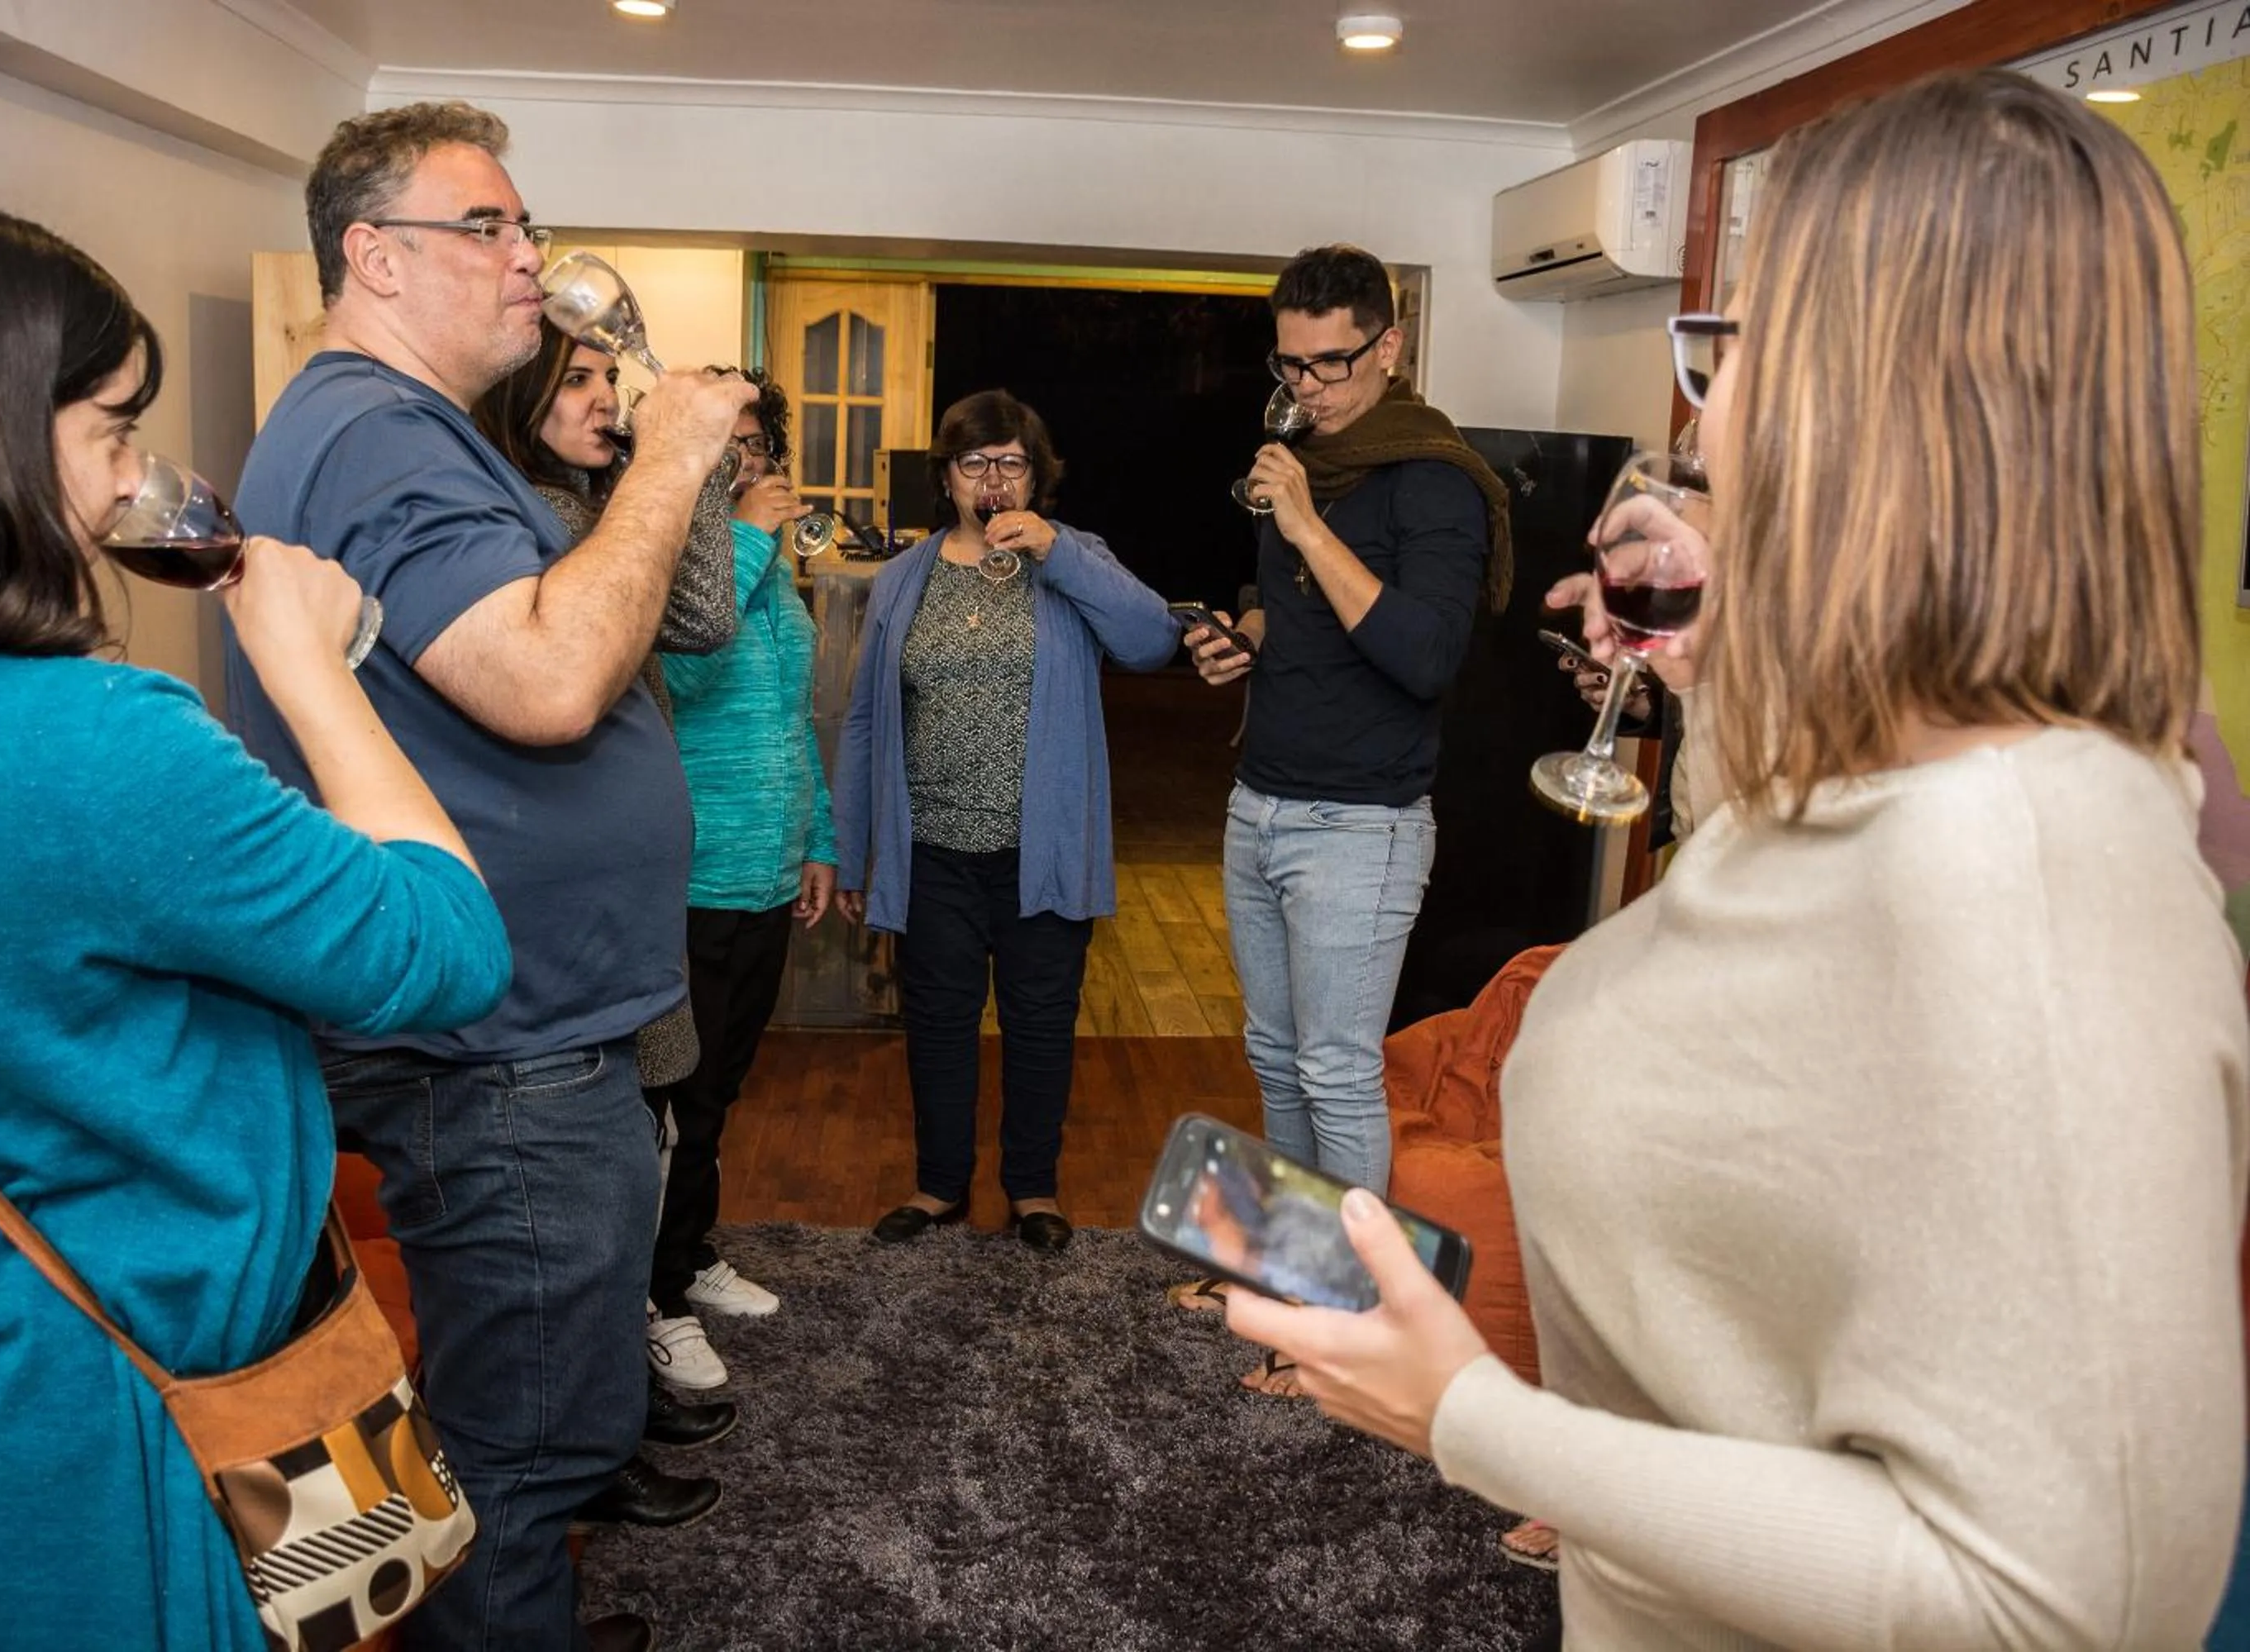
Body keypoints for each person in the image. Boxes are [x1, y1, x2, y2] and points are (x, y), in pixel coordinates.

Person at [1227, 71, 2248, 1648]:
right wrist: (1736, 658)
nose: (1704, 408)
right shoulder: (1892, 766)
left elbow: (2054, 1601)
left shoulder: (2029, 890)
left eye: (1738, 346)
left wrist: (1475, 1414)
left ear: (1902, 401)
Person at [0, 199, 510, 1647]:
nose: (131, 483)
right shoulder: (97, 737)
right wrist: (311, 669)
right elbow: (444, 946)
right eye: (113, 429)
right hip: (131, 1456)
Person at [222, 101, 755, 1652]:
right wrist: (669, 454)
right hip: (500, 1048)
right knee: (523, 1453)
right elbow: (546, 678)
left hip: (519, 1021)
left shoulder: (410, 431)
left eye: (525, 228)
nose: (530, 262)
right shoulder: (375, 430)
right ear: (369, 255)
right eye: (490, 229)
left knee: (531, 1434)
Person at [1180, 242, 1511, 1394]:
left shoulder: (1436, 479)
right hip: (1260, 797)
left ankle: (1365, 1323)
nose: (1309, 388)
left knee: (1333, 1069)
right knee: (1274, 1055)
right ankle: (1290, 1279)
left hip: (1359, 823)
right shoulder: (1300, 459)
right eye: (1290, 366)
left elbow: (1423, 657)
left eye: (1330, 364)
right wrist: (1243, 638)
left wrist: (1308, 520)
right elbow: (1295, 616)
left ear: (1389, 344)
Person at [470, 319, 740, 1511]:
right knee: (591, 1189)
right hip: (568, 921)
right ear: (519, 394)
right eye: (573, 380)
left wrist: (691, 472)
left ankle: (615, 1400)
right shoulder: (532, 517)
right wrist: (664, 474)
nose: (602, 397)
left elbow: (701, 622)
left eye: (605, 378)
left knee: (636, 1151)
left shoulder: (606, 503)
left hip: (631, 912)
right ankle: (591, 1441)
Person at [834, 390, 1176, 1252]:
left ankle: (1032, 1187)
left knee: (1038, 1023)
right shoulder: (905, 578)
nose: (991, 480)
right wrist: (852, 849)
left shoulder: (1071, 560)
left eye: (1009, 463)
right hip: (932, 851)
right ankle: (938, 1182)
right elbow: (867, 719)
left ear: (1036, 474)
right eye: (972, 464)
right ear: (945, 478)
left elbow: (1151, 641)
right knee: (938, 1026)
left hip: (1042, 851)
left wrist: (1057, 551)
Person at [646, 369, 838, 1378]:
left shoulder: (767, 569)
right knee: (668, 1097)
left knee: (719, 1087)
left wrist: (822, 839)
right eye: (729, 443)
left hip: (768, 869)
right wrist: (748, 540)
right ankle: (652, 1293)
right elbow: (684, 669)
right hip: (691, 872)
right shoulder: (670, 551)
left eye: (759, 443)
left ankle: (687, 1255)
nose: (749, 461)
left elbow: (789, 713)